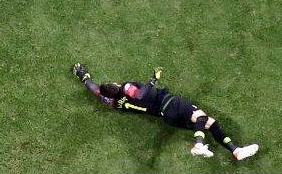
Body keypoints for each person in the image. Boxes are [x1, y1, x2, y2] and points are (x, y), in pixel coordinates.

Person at [72, 62, 259, 160]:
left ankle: (235, 150)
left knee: (209, 123)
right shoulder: (126, 88)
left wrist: (82, 75)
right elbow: (139, 95)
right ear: (114, 85)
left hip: (167, 117)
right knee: (200, 116)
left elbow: (94, 89)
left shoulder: (112, 102)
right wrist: (154, 79)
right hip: (169, 103)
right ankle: (199, 144)